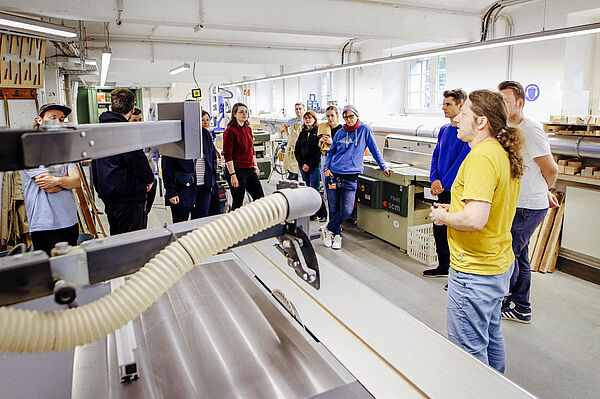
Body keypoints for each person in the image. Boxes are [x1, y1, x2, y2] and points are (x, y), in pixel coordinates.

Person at [429, 90, 523, 373]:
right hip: (494, 264)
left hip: (474, 270)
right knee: (491, 336)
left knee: (468, 353)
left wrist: (443, 216)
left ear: (481, 121)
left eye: (464, 114)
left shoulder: (481, 157)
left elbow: (474, 219)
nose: (457, 118)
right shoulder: (499, 153)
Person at [498, 81, 559, 323]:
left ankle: (505, 300)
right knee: (520, 255)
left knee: (508, 253)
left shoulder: (531, 130)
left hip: (528, 206)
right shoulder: (506, 129)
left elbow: (550, 169)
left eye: (507, 100)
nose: (502, 104)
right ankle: (521, 306)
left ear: (520, 103)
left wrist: (543, 190)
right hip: (516, 202)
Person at [322, 105, 391, 249]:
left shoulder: (365, 130)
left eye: (351, 116)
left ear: (357, 115)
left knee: (347, 210)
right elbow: (331, 152)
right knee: (333, 207)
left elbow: (374, 149)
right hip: (334, 175)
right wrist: (326, 167)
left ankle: (328, 228)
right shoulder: (340, 133)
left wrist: (383, 166)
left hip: (350, 177)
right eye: (345, 117)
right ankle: (336, 235)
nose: (348, 120)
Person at [92, 89, 154, 235]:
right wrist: (149, 179)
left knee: (117, 237)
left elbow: (95, 163)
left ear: (111, 107)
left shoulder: (98, 129)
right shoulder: (125, 130)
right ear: (132, 109)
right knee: (132, 241)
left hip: (109, 196)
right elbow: (136, 160)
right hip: (128, 198)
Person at [21, 104, 81, 254]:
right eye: (52, 118)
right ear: (40, 120)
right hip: (44, 223)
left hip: (69, 220)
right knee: (49, 271)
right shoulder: (30, 150)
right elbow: (47, 185)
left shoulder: (65, 150)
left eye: (61, 119)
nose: (58, 123)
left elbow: (76, 181)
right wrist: (65, 181)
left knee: (70, 267)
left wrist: (58, 181)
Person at [424, 89, 471, 278]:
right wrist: (433, 179)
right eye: (443, 104)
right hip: (441, 187)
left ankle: (456, 272)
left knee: (455, 233)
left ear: (461, 106)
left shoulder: (465, 132)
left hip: (455, 191)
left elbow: (461, 162)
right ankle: (443, 265)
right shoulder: (444, 130)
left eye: (448, 104)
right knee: (439, 228)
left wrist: (443, 183)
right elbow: (436, 156)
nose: (444, 107)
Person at [162, 113, 219, 222]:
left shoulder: (205, 134)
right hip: (182, 189)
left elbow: (212, 159)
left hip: (204, 188)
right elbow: (167, 166)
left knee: (200, 226)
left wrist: (211, 180)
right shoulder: (175, 136)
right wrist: (171, 191)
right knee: (180, 224)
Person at [222, 102, 264, 210]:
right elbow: (228, 155)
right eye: (241, 112)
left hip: (249, 168)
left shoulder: (248, 129)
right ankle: (234, 225)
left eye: (246, 112)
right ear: (234, 114)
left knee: (260, 198)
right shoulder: (230, 131)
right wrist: (232, 174)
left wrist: (255, 165)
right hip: (237, 170)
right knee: (238, 202)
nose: (244, 114)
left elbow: (251, 149)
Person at [294, 110, 327, 221]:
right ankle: (312, 213)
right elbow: (297, 150)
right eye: (306, 118)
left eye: (310, 118)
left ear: (314, 119)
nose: (308, 120)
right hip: (303, 167)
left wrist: (309, 165)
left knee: (314, 190)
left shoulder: (318, 133)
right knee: (307, 190)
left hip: (314, 166)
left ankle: (322, 213)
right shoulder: (302, 133)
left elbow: (319, 152)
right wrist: (302, 164)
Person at [130, 107, 158, 216]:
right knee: (138, 214)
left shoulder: (146, 135)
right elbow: (136, 159)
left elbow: (154, 150)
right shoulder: (127, 138)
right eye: (134, 120)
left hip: (151, 179)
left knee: (146, 213)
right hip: (139, 183)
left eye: (140, 120)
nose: (138, 123)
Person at [318, 106, 343, 210]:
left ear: (337, 115)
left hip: (337, 160)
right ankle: (330, 216)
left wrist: (332, 143)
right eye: (328, 116)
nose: (330, 118)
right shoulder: (325, 128)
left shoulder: (342, 130)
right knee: (327, 186)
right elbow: (320, 146)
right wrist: (321, 142)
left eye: (332, 115)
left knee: (337, 189)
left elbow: (344, 148)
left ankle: (338, 217)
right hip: (325, 157)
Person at [203, 109, 224, 215]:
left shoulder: (208, 135)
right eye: (203, 120)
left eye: (207, 119)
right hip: (205, 180)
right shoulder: (201, 136)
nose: (206, 122)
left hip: (212, 178)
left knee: (214, 208)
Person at [282, 103, 305, 180]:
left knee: (302, 173)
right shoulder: (292, 121)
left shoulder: (306, 121)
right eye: (296, 109)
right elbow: (284, 125)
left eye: (300, 109)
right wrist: (288, 134)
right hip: (292, 150)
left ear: (304, 110)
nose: (298, 111)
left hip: (302, 150)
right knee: (292, 172)